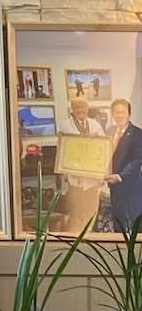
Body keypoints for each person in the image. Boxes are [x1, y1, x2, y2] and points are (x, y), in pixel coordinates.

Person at [58, 97, 105, 233]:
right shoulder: (65, 125)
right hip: (75, 175)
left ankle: (89, 234)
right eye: (76, 107)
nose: (80, 110)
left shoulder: (95, 124)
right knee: (76, 210)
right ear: (72, 110)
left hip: (92, 177)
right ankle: (77, 234)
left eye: (82, 107)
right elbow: (62, 149)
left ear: (87, 108)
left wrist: (97, 139)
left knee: (91, 208)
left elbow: (103, 147)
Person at [104, 99, 142, 232]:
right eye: (116, 112)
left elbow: (137, 160)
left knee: (136, 220)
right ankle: (118, 243)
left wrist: (120, 176)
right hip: (114, 186)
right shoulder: (109, 131)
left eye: (123, 112)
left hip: (132, 185)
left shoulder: (138, 133)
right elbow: (104, 154)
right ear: (112, 114)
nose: (119, 115)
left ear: (129, 114)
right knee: (118, 220)